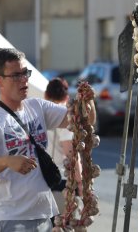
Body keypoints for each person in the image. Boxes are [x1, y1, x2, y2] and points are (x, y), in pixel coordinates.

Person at [0, 48, 96, 232]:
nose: (24, 80)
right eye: (16, 75)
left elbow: (84, 121)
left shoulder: (37, 106)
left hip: (42, 215)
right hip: (7, 218)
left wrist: (88, 100)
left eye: (25, 73)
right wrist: (6, 161)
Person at [44, 78, 83, 217]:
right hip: (60, 181)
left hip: (40, 181)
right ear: (66, 97)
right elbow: (71, 154)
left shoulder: (41, 115)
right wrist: (80, 182)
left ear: (45, 95)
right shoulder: (64, 117)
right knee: (63, 224)